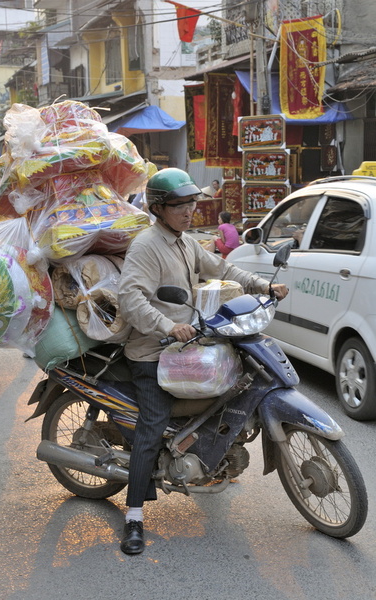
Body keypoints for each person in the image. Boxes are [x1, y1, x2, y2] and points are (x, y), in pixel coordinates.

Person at [117, 168, 289, 555]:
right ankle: (133, 516)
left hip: (185, 346)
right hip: (152, 352)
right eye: (180, 204)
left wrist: (263, 286)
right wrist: (167, 325)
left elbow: (222, 268)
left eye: (193, 202)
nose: (190, 210)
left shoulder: (184, 242)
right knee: (152, 425)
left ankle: (208, 454)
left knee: (233, 381)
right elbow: (130, 298)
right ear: (159, 208)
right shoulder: (147, 245)